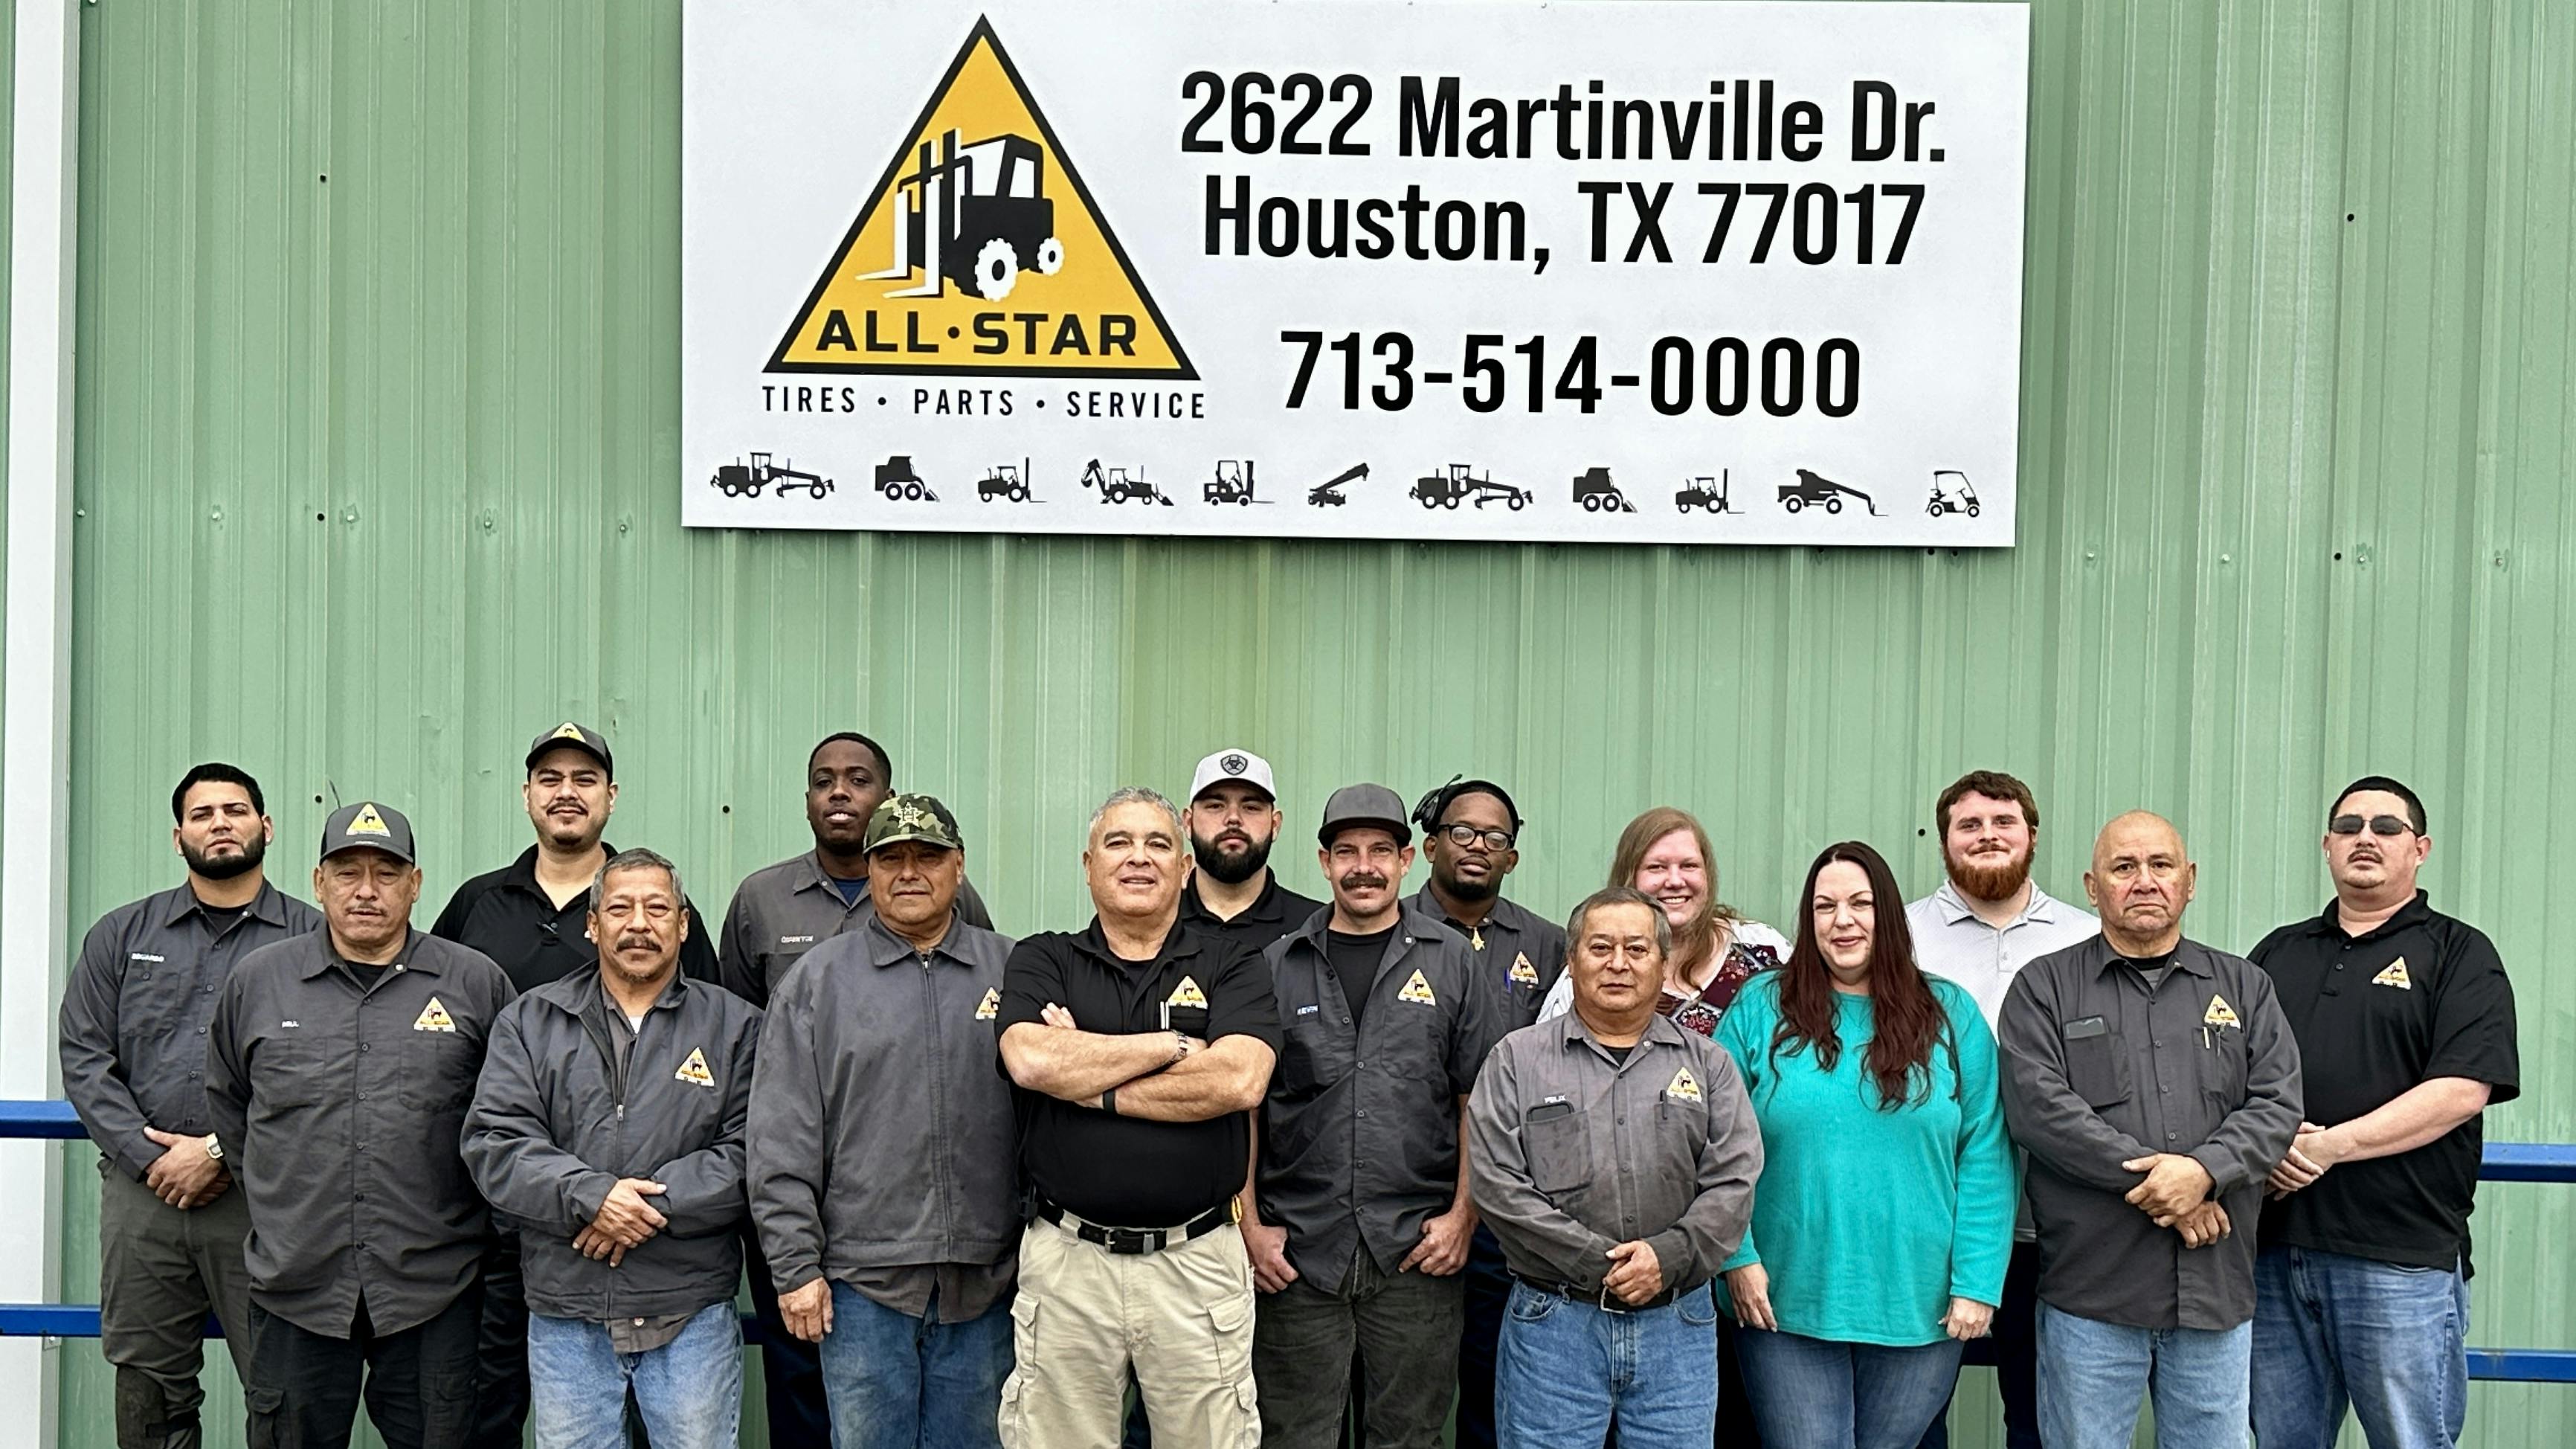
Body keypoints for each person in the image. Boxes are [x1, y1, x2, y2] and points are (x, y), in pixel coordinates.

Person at [431, 722, 719, 1449]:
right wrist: (586, 1196)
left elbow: (718, 1075)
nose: (567, 792)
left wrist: (634, 1203)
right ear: (528, 793)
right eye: (550, 778)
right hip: (513, 1228)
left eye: (584, 779)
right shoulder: (476, 906)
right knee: (495, 1404)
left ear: (610, 797)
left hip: (667, 1251)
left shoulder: (651, 894)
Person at [205, 802, 518, 1449]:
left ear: (417, 883)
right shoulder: (259, 982)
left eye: (386, 872)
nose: (367, 891)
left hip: (436, 1289)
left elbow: (509, 1117)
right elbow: (233, 1110)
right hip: (298, 1287)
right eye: (348, 872)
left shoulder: (475, 984)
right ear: (319, 882)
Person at [716, 730, 993, 1448]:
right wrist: (796, 1266)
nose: (910, 873)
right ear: (869, 872)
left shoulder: (1013, 970)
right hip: (863, 1284)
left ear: (958, 869)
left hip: (988, 1284)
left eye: (928, 857)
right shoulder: (815, 982)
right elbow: (779, 1137)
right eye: (891, 858)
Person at [1997, 812, 2302, 1449]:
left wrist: (2205, 1173)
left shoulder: (2244, 987)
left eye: (2161, 866)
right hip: (2093, 1293)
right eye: (2124, 867)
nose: (2144, 881)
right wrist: (2173, 1186)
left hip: (2214, 1294)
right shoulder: (2045, 989)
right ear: (2092, 884)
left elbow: (2277, 1104)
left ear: (2189, 881)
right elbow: (2041, 1111)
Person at [992, 787, 1279, 1448]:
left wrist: (1087, 1078)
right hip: (1068, 1264)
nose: (1138, 859)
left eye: (1157, 844)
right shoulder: (1043, 958)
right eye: (1118, 843)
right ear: (1088, 865)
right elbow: (1031, 1061)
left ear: (1184, 869)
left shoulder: (1232, 962)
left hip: (1198, 1262)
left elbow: (1240, 1078)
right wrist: (1172, 1047)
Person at [1716, 841, 2015, 1449]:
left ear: (1889, 916)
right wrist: (1736, 1259)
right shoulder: (1760, 1007)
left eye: (1860, 903)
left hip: (1920, 1302)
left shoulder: (1949, 1013)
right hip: (1782, 1298)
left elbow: (1985, 1152)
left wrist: (1978, 1283)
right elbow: (1713, 1142)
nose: (1842, 920)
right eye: (1825, 906)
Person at [2249, 777, 2519, 1449]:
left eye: (2386, 827)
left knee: (2409, 1440)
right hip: (2273, 1252)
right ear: (2326, 846)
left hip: (2399, 1258)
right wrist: (2262, 1150)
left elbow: (2461, 1089)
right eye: (2349, 826)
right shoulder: (2277, 953)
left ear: (2419, 849)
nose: (2365, 838)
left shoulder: (2460, 953)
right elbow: (2227, 1075)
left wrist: (2329, 1145)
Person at [57, 764, 321, 1449]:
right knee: (150, 1389)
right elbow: (85, 1058)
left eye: (235, 811)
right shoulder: (121, 934)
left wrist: (214, 1153)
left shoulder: (312, 942)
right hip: (145, 1200)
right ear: (179, 838)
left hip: (266, 1201)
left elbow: (325, 1074)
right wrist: (149, 1159)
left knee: (281, 1384)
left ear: (265, 827)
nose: (221, 824)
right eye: (203, 815)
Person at [462, 848, 760, 1449]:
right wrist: (591, 1196)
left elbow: (754, 1150)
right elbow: (496, 1141)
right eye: (620, 908)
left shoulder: (737, 1027)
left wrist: (645, 1207)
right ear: (593, 925)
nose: (639, 924)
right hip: (566, 1310)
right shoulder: (530, 1022)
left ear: (682, 925)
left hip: (689, 1309)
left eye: (657, 908)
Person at [1246, 784, 1498, 1449]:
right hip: (1298, 1255)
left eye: (1381, 851)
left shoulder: (1452, 964)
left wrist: (1462, 1217)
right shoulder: (1277, 967)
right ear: (1324, 862)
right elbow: (1245, 1107)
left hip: (1417, 1253)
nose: (1365, 866)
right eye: (1347, 851)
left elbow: (1479, 1100)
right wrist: (1251, 1224)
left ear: (1408, 859)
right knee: (1293, 1437)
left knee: (1410, 1437)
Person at [1469, 886, 1764, 1449]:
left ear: (1662, 961)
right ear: (1572, 959)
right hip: (1554, 1323)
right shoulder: (1516, 1060)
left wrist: (1666, 1258)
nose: (1619, 964)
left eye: (1637, 949)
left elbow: (1734, 1183)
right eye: (1600, 948)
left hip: (1677, 1326)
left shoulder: (1709, 1066)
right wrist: (1600, 1264)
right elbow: (1499, 1186)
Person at [1536, 805, 1786, 1440]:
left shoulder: (1764, 953)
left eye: (1689, 865)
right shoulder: (1588, 975)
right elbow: (1548, 1104)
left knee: (1737, 1411)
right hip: (1632, 1238)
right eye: (1657, 867)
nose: (1676, 880)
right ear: (1628, 877)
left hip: (1751, 1217)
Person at [1904, 771, 2098, 1449]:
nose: (1987, 835)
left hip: (2056, 1226)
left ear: (2032, 836)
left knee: (2045, 1415)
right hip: (1937, 1221)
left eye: (2004, 822)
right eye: (1969, 824)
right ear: (1944, 841)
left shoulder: (2088, 938)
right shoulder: (1900, 938)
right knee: (1914, 1415)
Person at [1403, 775, 1564, 1449]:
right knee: (1403, 1384)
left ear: (1512, 858)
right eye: (1462, 832)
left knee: (1499, 1377)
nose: (1477, 846)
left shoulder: (1550, 946)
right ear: (1431, 844)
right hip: (1409, 1197)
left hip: (1512, 1208)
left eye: (1495, 838)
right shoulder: (1390, 931)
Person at [1178, 748, 1325, 949]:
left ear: (1275, 825)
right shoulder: (1153, 919)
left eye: (1251, 807)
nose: (1233, 818)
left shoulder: (1315, 928)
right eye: (1215, 805)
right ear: (1188, 822)